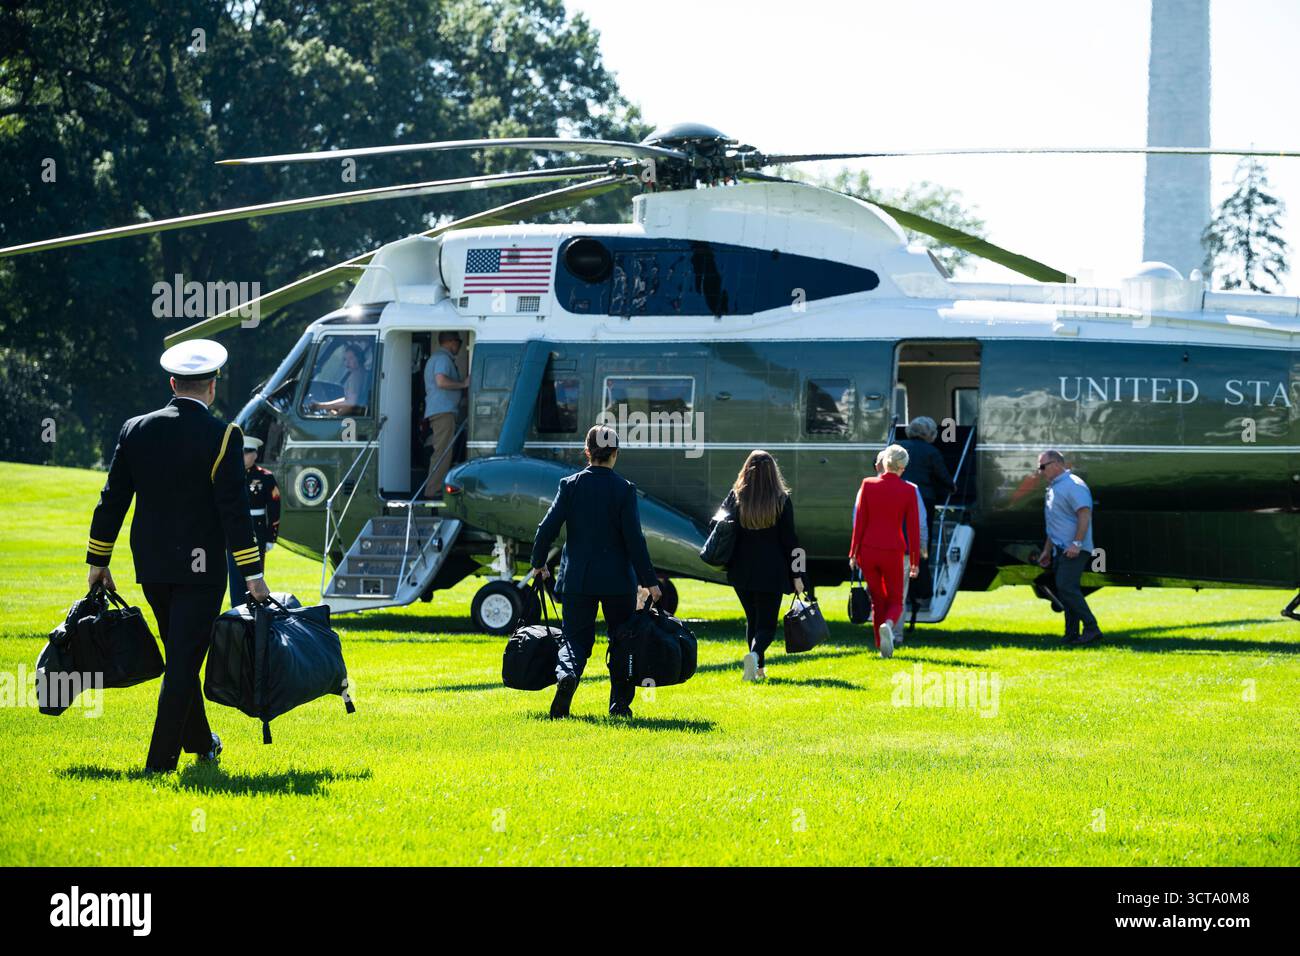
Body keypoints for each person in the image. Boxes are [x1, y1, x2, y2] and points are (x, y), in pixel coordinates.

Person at [84, 339, 272, 773]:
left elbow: (112, 499)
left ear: (172, 383)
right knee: (184, 661)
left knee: (181, 656)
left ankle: (202, 743)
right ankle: (159, 764)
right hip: (201, 570)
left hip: (151, 565)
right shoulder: (225, 435)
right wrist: (252, 574)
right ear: (212, 387)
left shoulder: (135, 428)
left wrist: (99, 560)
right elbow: (234, 513)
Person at [529, 425, 662, 719]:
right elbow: (634, 541)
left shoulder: (570, 485)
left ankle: (567, 676)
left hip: (578, 579)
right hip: (618, 582)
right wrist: (650, 582)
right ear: (615, 453)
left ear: (587, 452)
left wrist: (539, 563)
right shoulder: (624, 490)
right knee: (622, 641)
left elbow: (546, 529)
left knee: (575, 640)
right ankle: (619, 704)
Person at [717, 450, 804, 682]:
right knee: (766, 625)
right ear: (773, 472)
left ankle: (758, 669)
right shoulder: (782, 500)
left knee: (752, 620)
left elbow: (718, 526)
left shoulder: (736, 496)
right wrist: (798, 573)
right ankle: (755, 656)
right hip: (771, 571)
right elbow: (791, 541)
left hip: (740, 570)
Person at [849, 444, 919, 659]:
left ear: (884, 463)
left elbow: (859, 522)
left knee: (877, 599)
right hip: (893, 550)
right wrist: (915, 561)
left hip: (868, 551)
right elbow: (914, 529)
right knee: (896, 600)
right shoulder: (909, 490)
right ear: (903, 467)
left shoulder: (868, 485)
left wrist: (853, 552)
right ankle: (888, 625)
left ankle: (881, 647)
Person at [1035, 449, 1102, 646]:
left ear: (1056, 464)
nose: (1040, 471)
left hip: (1074, 548)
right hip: (1060, 549)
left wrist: (1077, 543)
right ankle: (1071, 634)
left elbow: (1084, 514)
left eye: (1042, 467)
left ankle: (1092, 628)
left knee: (1066, 587)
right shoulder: (1054, 487)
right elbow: (1055, 523)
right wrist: (1047, 550)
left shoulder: (1073, 485)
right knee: (1065, 590)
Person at [225, 436, 280, 608]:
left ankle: (254, 611)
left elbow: (274, 507)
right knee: (235, 574)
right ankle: (237, 609)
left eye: (247, 453)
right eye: (240, 452)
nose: (243, 456)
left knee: (255, 575)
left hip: (257, 532)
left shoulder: (265, 477)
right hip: (234, 530)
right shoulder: (229, 475)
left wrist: (271, 536)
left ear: (255, 454)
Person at [422, 331, 470, 499]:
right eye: (458, 342)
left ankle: (434, 488)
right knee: (443, 452)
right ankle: (432, 490)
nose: (459, 345)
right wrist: (463, 384)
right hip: (443, 411)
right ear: (450, 342)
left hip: (442, 410)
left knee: (443, 450)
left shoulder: (439, 358)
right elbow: (441, 381)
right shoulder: (443, 359)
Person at [311, 342, 370, 415]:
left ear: (359, 358)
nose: (347, 362)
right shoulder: (365, 373)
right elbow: (348, 399)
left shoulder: (355, 376)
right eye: (345, 359)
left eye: (351, 358)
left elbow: (351, 403)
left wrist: (335, 415)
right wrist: (324, 406)